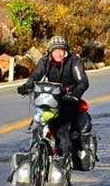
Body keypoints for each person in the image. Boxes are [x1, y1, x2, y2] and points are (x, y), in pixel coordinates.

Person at [17, 35, 91, 170]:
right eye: (55, 50)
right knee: (39, 126)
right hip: (51, 100)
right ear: (50, 52)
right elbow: (35, 77)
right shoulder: (44, 61)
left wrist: (75, 95)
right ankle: (35, 154)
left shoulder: (74, 62)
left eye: (62, 50)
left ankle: (63, 161)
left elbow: (83, 82)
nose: (59, 53)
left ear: (66, 51)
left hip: (68, 101)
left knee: (62, 130)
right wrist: (26, 87)